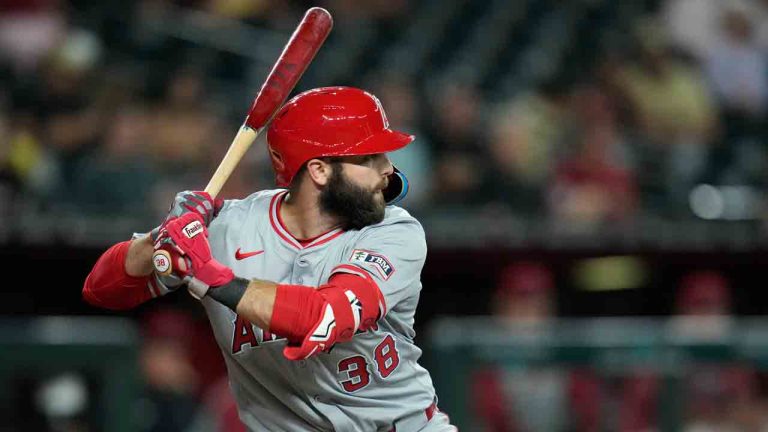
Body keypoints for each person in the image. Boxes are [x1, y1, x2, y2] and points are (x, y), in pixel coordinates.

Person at [82, 86, 456, 431]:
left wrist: (209, 276)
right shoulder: (229, 229)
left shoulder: (394, 232)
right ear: (319, 170)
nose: (387, 169)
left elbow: (322, 318)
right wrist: (161, 239)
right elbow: (101, 290)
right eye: (370, 157)